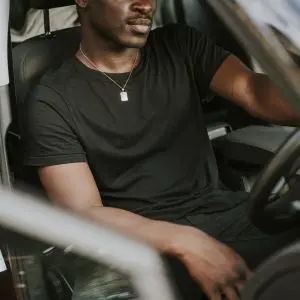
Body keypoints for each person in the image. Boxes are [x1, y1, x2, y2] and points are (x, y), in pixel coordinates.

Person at [21, 0, 300, 299]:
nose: (146, 4)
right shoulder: (52, 99)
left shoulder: (180, 44)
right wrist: (187, 242)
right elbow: (84, 212)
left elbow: (254, 91)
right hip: (140, 247)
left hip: (229, 216)